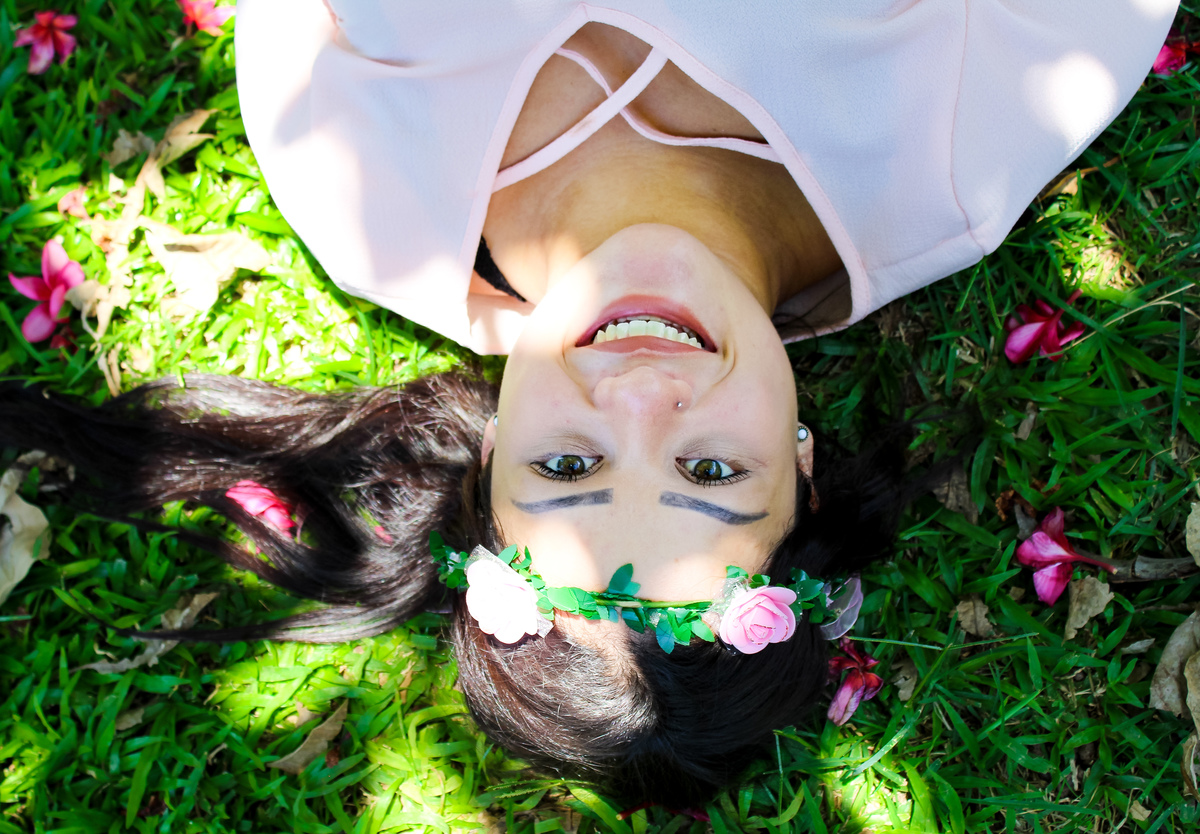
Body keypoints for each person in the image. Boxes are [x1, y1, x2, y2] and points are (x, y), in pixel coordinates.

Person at [1, 0, 1178, 808]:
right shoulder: (960, 147)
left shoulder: (363, 192)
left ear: (488, 465)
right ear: (804, 466)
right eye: (711, 473)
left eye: (568, 469)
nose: (643, 395)